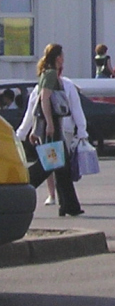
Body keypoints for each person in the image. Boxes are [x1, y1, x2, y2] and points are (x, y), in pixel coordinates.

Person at [15, 43, 85, 216]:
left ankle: (69, 207)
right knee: (48, 165)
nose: (64, 59)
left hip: (52, 125)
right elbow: (44, 100)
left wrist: (34, 130)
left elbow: (37, 101)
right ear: (57, 57)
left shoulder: (49, 74)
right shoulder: (51, 74)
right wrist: (49, 123)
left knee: (61, 166)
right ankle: (20, 188)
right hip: (52, 126)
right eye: (62, 55)